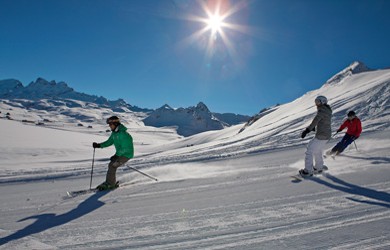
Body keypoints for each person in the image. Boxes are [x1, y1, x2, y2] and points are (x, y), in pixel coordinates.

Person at [93, 116, 134, 190]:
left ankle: (111, 184)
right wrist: (99, 145)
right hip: (120, 153)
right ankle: (110, 182)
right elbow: (109, 142)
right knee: (112, 165)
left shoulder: (124, 135)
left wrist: (116, 155)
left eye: (110, 124)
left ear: (115, 124)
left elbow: (125, 149)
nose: (109, 126)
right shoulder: (114, 134)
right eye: (109, 124)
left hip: (127, 154)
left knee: (112, 165)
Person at [300, 95, 332, 177]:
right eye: (315, 102)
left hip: (321, 135)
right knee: (317, 150)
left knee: (309, 150)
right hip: (326, 135)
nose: (316, 104)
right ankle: (319, 167)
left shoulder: (322, 110)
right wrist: (314, 127)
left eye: (318, 102)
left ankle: (308, 171)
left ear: (323, 102)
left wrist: (308, 130)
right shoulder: (327, 110)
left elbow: (316, 120)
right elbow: (322, 120)